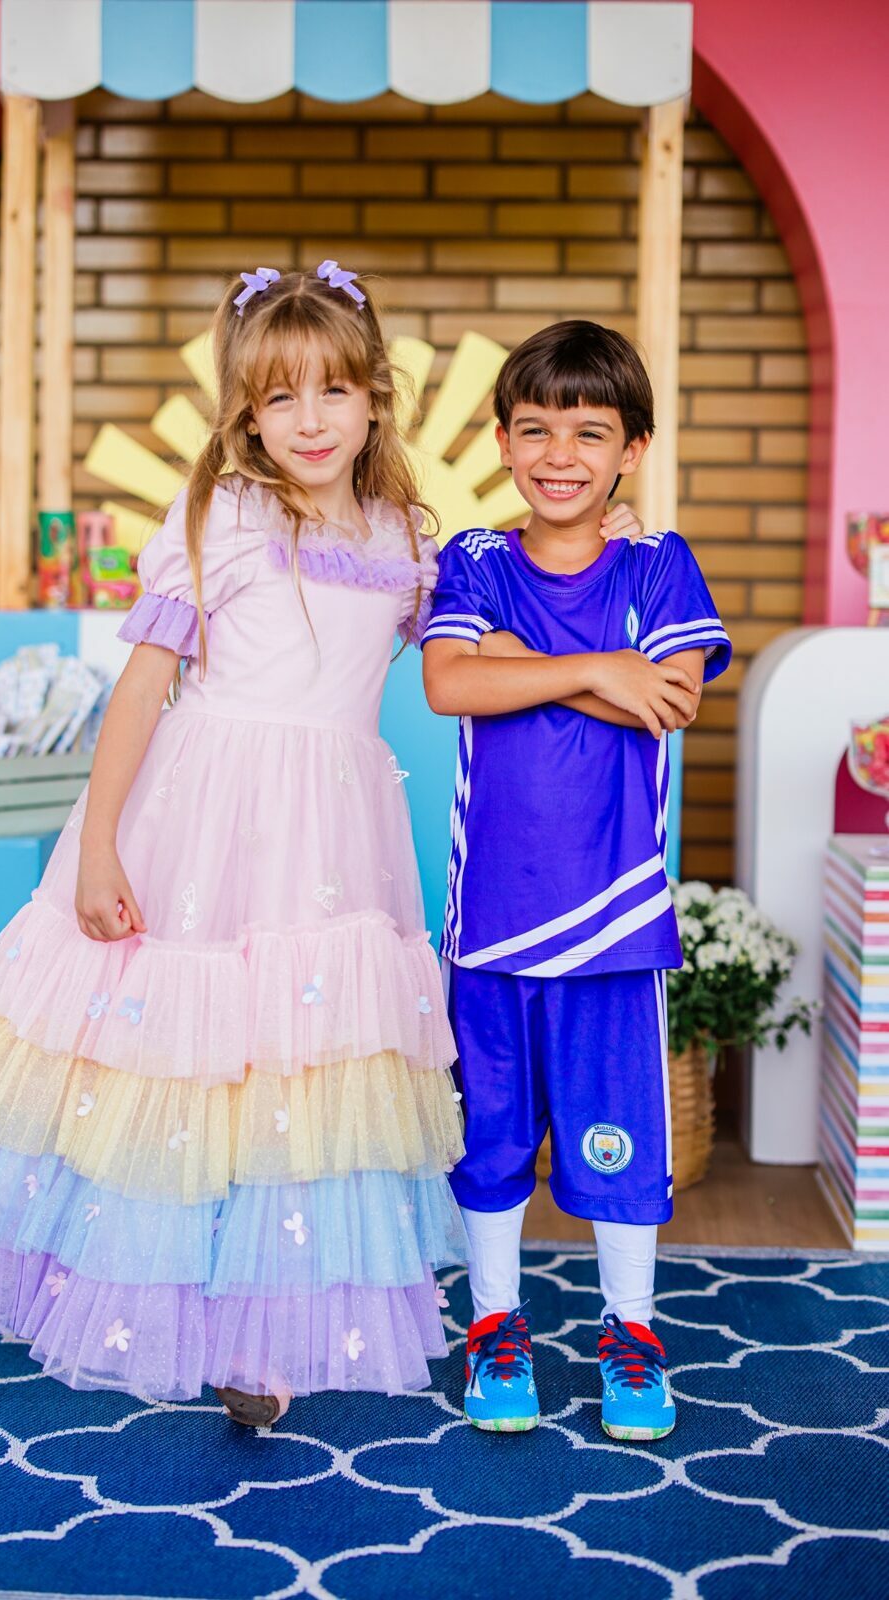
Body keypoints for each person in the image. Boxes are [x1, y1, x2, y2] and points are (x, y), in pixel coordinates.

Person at [0, 260, 472, 1446]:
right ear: (246, 414)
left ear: (374, 399)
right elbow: (141, 689)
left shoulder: (402, 536)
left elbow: (460, 653)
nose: (310, 420)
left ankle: (257, 1331)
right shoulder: (222, 519)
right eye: (280, 398)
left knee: (280, 1073)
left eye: (334, 391)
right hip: (198, 821)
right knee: (89, 1065)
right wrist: (96, 848)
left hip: (330, 838)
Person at [421, 320, 732, 1442]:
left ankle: (631, 1332)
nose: (561, 454)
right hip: (493, 921)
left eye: (590, 432)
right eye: (537, 429)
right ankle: (495, 1326)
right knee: (490, 1140)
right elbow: (449, 683)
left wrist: (524, 662)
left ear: (632, 449)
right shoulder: (476, 559)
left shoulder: (659, 563)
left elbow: (673, 699)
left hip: (614, 919)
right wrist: (605, 666)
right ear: (505, 441)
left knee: (620, 1141)